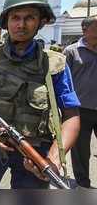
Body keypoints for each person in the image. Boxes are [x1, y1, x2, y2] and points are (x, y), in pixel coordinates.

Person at [0, 0, 80, 189]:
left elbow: (71, 114)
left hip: (35, 150)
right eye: (15, 17)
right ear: (6, 22)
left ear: (41, 21)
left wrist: (53, 158)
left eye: (30, 18)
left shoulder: (54, 63)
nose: (21, 24)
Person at [64, 16, 97, 188]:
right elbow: (62, 81)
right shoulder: (71, 51)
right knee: (81, 151)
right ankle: (84, 185)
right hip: (80, 109)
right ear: (85, 30)